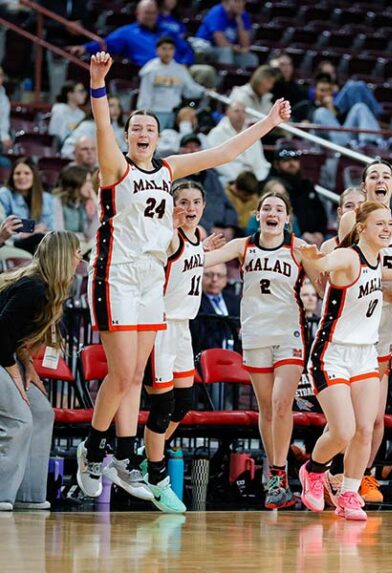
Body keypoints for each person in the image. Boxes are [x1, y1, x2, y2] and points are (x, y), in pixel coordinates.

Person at [74, 50, 292, 503]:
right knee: (122, 372)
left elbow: (225, 151)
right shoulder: (116, 168)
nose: (143, 133)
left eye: (149, 128)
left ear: (159, 137)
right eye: (135, 128)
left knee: (135, 375)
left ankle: (122, 456)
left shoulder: (171, 169)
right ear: (129, 136)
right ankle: (94, 450)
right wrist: (98, 84)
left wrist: (268, 123)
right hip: (116, 273)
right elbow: (101, 127)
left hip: (152, 278)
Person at [296, 201, 392, 521]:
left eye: (389, 224)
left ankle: (349, 491)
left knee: (365, 429)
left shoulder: (375, 262)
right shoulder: (348, 255)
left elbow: (379, 277)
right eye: (379, 223)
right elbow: (329, 262)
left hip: (365, 353)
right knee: (343, 430)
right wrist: (316, 259)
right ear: (361, 228)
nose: (387, 228)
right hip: (333, 353)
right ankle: (313, 470)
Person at [204, 191, 321, 509]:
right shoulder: (243, 245)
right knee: (267, 408)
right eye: (266, 207)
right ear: (258, 214)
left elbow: (323, 289)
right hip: (255, 335)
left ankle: (279, 475)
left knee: (283, 405)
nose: (272, 212)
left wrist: (319, 261)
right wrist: (197, 247)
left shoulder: (297, 248)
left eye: (279, 209)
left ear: (287, 218)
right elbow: (202, 260)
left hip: (289, 334)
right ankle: (277, 478)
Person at [140, 181, 223, 512]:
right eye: (183, 202)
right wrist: (167, 226)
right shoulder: (169, 234)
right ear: (173, 206)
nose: (190, 207)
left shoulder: (197, 236)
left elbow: (192, 262)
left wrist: (206, 251)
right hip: (160, 326)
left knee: (184, 402)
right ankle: (157, 477)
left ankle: (146, 457)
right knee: (162, 407)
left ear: (203, 206)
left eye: (196, 202)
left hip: (183, 329)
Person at [337, 160, 392, 504]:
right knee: (349, 419)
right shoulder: (351, 220)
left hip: (385, 325)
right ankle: (337, 476)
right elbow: (346, 272)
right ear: (365, 184)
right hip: (354, 319)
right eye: (374, 175)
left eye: (387, 176)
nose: (380, 180)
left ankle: (361, 478)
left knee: (375, 418)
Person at [0, 231, 81, 511]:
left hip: (7, 354)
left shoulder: (47, 289)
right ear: (61, 257)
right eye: (75, 252)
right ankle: (1, 493)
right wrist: (14, 373)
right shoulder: (34, 289)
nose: (78, 258)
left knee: (41, 412)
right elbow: (0, 334)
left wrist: (28, 367)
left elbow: (15, 335)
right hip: (1, 356)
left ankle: (29, 494)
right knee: (19, 419)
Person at [72, 0, 194, 67]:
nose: (150, 16)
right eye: (147, 13)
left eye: (153, 13)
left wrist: (185, 64)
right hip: (150, 72)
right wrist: (85, 48)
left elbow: (186, 50)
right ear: (137, 14)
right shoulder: (126, 32)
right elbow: (106, 44)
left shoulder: (167, 32)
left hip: (177, 70)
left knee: (205, 72)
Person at [137, 36, 206, 130]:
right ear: (157, 51)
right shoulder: (150, 70)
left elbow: (190, 89)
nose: (167, 52)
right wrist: (144, 115)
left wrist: (204, 91)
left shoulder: (180, 70)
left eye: (170, 49)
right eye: (164, 49)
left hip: (174, 112)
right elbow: (145, 94)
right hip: (156, 112)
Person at [175, 133, 238, 235]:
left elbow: (227, 204)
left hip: (223, 231)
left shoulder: (212, 175)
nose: (193, 150)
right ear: (180, 151)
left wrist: (230, 227)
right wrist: (209, 229)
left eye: (196, 147)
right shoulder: (177, 179)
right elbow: (184, 211)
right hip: (197, 232)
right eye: (188, 147)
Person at [264, 143, 328, 244]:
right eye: (286, 160)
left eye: (295, 159)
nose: (291, 163)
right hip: (290, 237)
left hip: (317, 237)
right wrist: (302, 234)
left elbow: (320, 211)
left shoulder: (307, 185)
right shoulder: (275, 186)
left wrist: (320, 232)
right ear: (276, 164)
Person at [312, 74, 387, 149]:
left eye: (329, 90)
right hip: (327, 143)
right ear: (315, 91)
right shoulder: (307, 106)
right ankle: (345, 146)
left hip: (348, 141)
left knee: (360, 107)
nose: (326, 94)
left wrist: (331, 107)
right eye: (322, 90)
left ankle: (371, 144)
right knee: (321, 112)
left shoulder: (337, 109)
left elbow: (340, 125)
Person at [0, 158, 55, 253]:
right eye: (17, 173)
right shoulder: (4, 194)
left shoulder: (46, 198)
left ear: (34, 176)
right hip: (13, 242)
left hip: (40, 240)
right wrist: (25, 233)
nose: (21, 177)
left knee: (45, 240)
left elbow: (51, 227)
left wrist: (40, 230)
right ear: (12, 177)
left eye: (26, 173)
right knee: (39, 239)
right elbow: (3, 228)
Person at [208, 102, 271, 183]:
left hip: (253, 180)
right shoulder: (216, 133)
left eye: (243, 112)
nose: (240, 115)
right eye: (236, 111)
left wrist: (257, 178)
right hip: (229, 179)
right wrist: (237, 178)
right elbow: (214, 161)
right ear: (227, 113)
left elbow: (260, 161)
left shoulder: (252, 133)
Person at [189, 262, 240, 352]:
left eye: (219, 275)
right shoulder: (194, 302)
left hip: (235, 356)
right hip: (205, 354)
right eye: (209, 275)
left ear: (226, 279)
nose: (214, 279)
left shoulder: (235, 301)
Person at [191, 0, 257, 68]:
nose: (241, 4)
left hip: (230, 49)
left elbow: (245, 45)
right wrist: (236, 49)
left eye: (243, 1)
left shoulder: (243, 15)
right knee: (225, 52)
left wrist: (240, 22)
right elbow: (221, 43)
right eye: (236, 1)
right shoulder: (217, 12)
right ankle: (222, 77)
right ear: (226, 1)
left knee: (250, 58)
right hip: (206, 47)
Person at [52, 165, 98, 248]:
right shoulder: (57, 201)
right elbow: (58, 234)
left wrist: (98, 206)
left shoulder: (81, 204)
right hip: (63, 248)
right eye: (88, 181)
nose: (91, 186)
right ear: (77, 182)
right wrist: (81, 238)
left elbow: (90, 235)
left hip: (80, 246)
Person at [320, 187, 364, 255]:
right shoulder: (327, 247)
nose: (356, 209)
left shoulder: (377, 243)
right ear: (340, 213)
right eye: (349, 206)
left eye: (361, 205)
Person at [270, 52, 311, 121]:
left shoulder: (298, 88)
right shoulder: (271, 87)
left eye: (289, 64)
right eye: (282, 65)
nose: (286, 68)